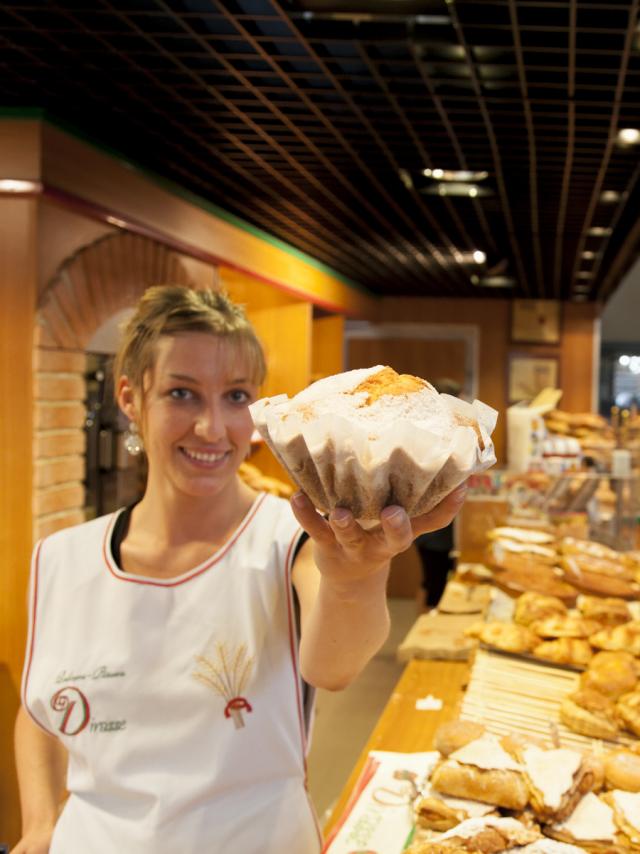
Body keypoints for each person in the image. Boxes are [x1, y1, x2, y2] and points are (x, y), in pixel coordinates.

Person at [15, 286, 467, 854]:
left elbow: (336, 666)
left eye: (235, 397)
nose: (212, 427)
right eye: (182, 393)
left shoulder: (289, 539)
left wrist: (358, 574)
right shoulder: (62, 558)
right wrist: (38, 823)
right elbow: (41, 708)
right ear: (130, 397)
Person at [414, 378, 462, 612]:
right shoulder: (434, 434)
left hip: (432, 520)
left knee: (430, 579)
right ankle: (422, 627)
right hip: (432, 523)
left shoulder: (431, 430)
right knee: (434, 582)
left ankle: (420, 624)